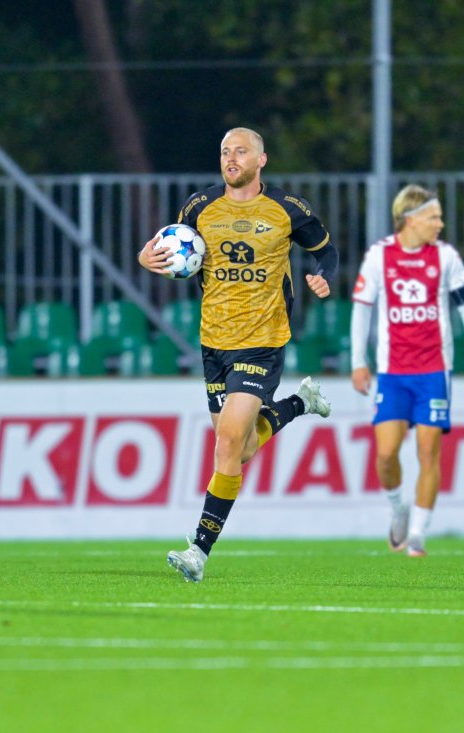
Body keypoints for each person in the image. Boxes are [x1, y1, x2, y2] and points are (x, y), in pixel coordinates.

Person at [138, 127, 337, 582]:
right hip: (214, 343)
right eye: (225, 151)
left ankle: (198, 552)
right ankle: (300, 403)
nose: (231, 158)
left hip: (263, 341)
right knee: (242, 447)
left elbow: (327, 251)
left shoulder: (287, 209)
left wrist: (324, 275)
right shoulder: (199, 206)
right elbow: (169, 249)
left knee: (226, 444)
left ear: (261, 159)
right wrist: (146, 258)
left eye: (240, 151)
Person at [350, 185, 464, 557]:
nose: (440, 224)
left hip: (433, 372)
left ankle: (417, 534)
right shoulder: (379, 256)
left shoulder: (446, 257)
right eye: (434, 217)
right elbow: (362, 308)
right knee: (385, 454)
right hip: (393, 373)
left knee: (429, 453)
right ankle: (399, 509)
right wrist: (357, 361)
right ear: (411, 219)